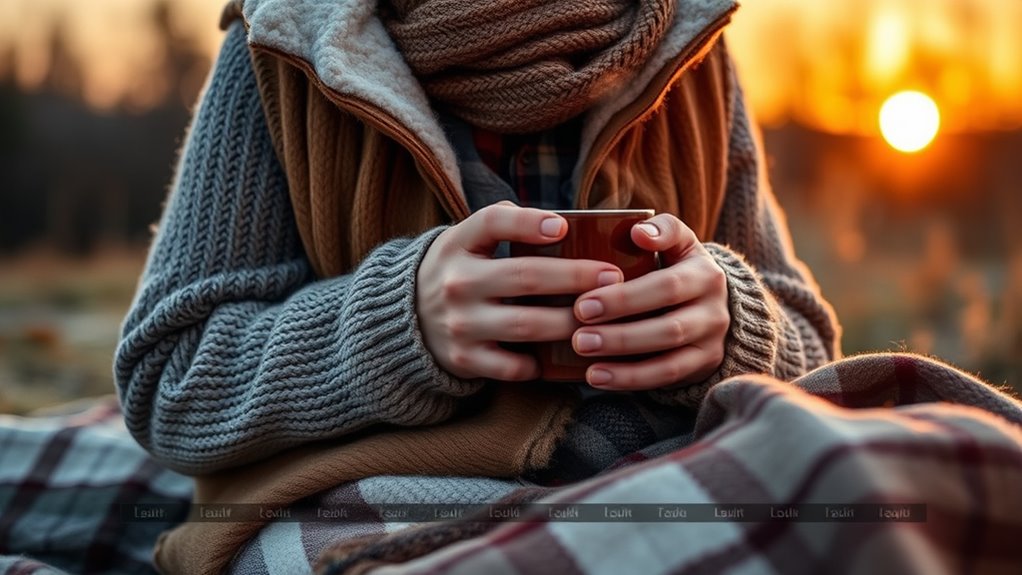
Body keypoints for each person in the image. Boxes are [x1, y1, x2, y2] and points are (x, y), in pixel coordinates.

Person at [113, 0, 839, 569]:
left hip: (655, 484)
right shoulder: (280, 44)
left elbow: (812, 346)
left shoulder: (692, 44)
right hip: (372, 507)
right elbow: (170, 379)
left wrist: (731, 327)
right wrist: (398, 325)